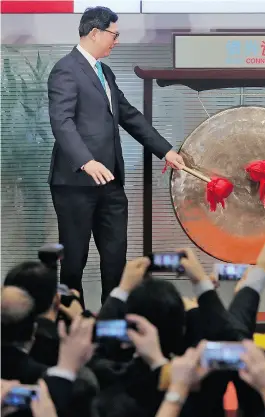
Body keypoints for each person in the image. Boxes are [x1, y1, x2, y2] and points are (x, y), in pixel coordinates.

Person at [47, 6, 185, 306]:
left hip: (110, 183)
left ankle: (113, 323)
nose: (117, 41)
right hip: (75, 184)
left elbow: (130, 116)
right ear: (94, 33)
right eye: (114, 34)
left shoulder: (104, 71)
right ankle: (72, 325)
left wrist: (167, 151)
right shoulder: (66, 69)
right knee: (74, 261)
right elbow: (62, 122)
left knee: (115, 259)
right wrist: (86, 160)